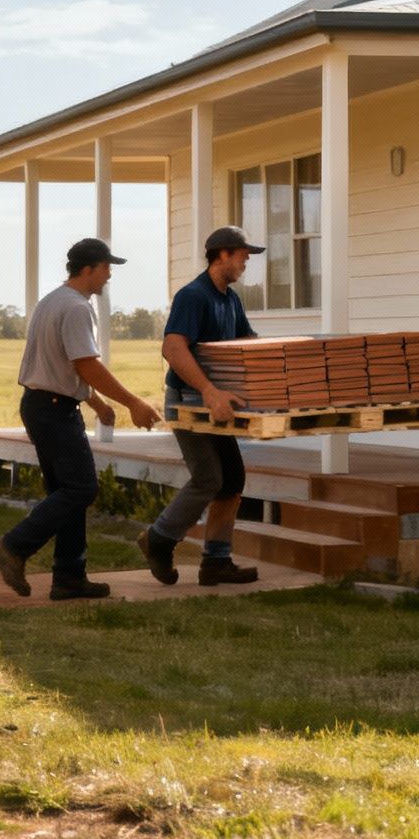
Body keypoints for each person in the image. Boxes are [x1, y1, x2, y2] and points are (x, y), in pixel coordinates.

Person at [0, 238, 163, 600]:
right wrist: (133, 402)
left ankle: (69, 577)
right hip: (53, 408)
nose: (109, 275)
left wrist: (96, 405)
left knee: (67, 491)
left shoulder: (51, 301)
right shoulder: (77, 308)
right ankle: (13, 547)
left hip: (41, 404)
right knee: (81, 488)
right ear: (88, 269)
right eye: (106, 267)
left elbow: (65, 364)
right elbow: (86, 364)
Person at [135, 226, 264, 587]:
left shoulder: (230, 299)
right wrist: (209, 390)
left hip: (217, 402)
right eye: (243, 253)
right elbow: (173, 348)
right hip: (189, 401)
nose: (247, 259)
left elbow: (244, 342)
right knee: (209, 477)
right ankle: (158, 540)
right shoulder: (193, 296)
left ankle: (216, 561)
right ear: (222, 254)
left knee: (232, 478)